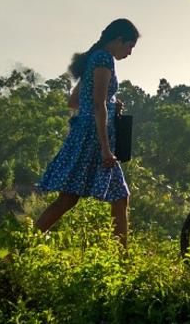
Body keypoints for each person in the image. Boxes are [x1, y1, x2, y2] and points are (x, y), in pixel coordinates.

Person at [34, 18, 140, 245]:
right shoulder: (104, 59)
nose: (130, 52)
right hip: (93, 137)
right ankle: (18, 250)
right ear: (119, 40)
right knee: (69, 198)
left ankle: (123, 261)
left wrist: (112, 103)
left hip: (87, 132)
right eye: (130, 46)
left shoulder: (94, 58)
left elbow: (75, 100)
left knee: (115, 197)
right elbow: (97, 104)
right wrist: (105, 149)